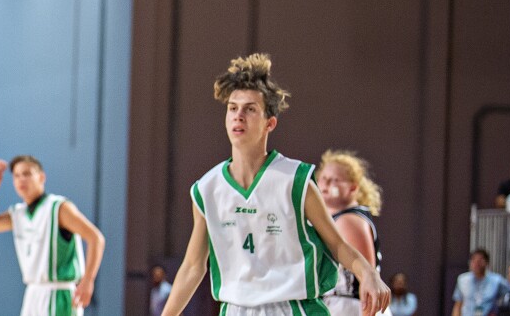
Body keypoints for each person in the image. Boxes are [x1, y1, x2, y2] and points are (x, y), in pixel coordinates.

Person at [161, 53, 391, 316]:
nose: (238, 116)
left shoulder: (295, 179)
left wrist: (369, 274)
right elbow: (193, 265)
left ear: (270, 123)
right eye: (233, 108)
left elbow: (337, 245)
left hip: (292, 308)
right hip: (236, 310)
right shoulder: (207, 189)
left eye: (250, 109)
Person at [0, 155, 106, 315]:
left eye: (27, 174)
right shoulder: (18, 214)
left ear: (41, 177)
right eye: (17, 176)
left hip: (58, 294)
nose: (21, 180)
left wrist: (88, 280)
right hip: (33, 294)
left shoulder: (59, 208)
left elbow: (96, 238)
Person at [317, 150, 386, 315]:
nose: (326, 184)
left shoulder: (350, 220)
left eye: (334, 180)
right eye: (323, 178)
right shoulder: (336, 218)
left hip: (351, 306)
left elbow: (368, 277)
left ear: (353, 187)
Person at [454, 249, 510, 316]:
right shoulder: (462, 280)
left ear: (487, 262)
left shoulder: (497, 280)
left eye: (480, 260)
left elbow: (509, 295)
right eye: (474, 260)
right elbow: (458, 305)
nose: (477, 263)